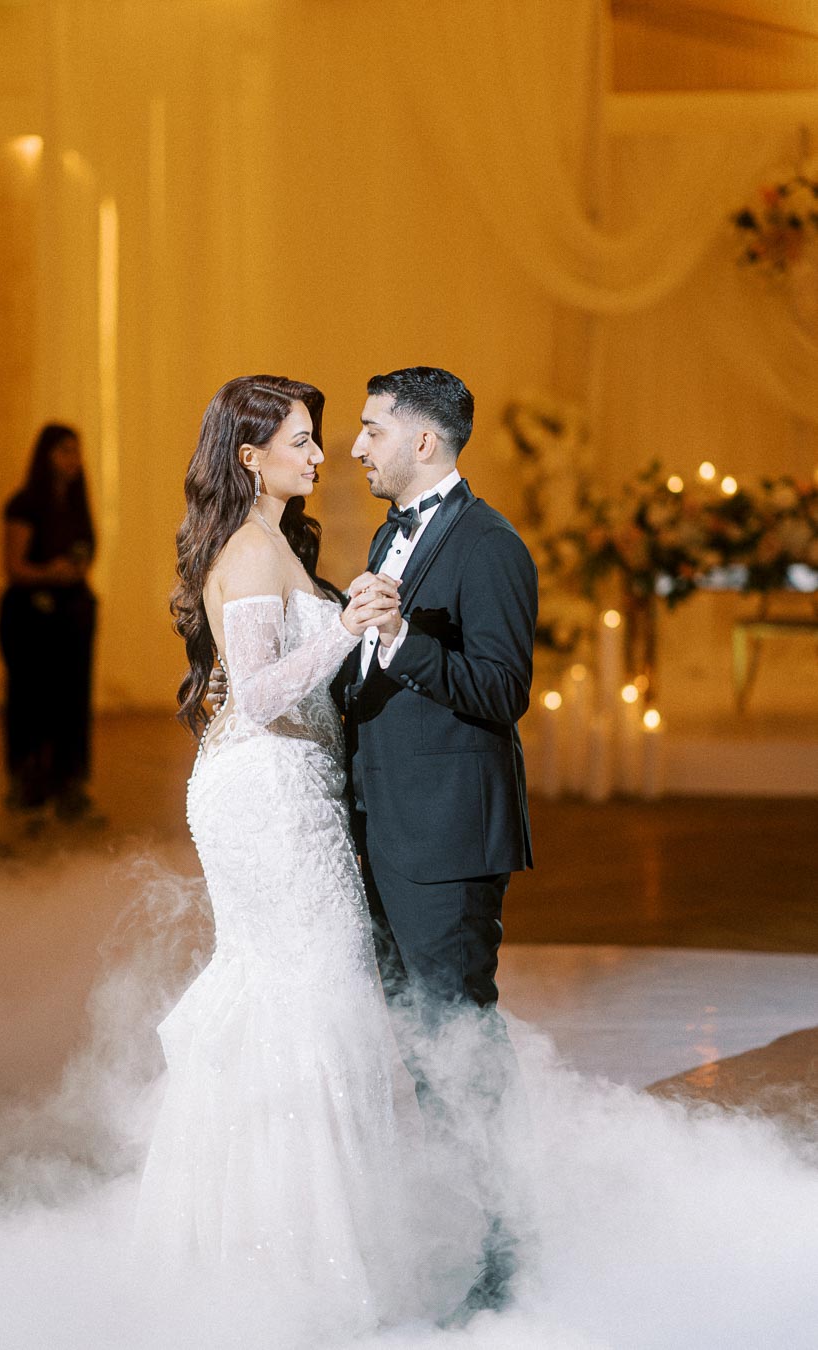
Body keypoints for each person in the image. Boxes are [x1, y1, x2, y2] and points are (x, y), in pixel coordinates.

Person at [135, 376, 413, 1342]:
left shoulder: (273, 545)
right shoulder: (250, 551)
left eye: (320, 437)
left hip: (292, 789)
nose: (320, 454)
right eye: (302, 439)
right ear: (251, 456)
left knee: (305, 993)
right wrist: (343, 627)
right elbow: (253, 694)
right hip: (268, 797)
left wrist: (357, 625)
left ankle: (268, 1251)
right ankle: (298, 1267)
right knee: (314, 994)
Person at [339, 366, 538, 1324]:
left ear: (426, 441)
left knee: (458, 1043)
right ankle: (450, 1237)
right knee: (420, 1048)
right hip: (388, 826)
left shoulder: (493, 545)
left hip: (449, 836)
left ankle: (501, 1260)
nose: (355, 444)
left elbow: (501, 691)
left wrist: (403, 639)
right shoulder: (390, 532)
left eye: (373, 428)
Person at [0, 424, 97, 819]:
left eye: (77, 450)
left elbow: (85, 554)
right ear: (46, 456)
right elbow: (13, 567)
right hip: (29, 617)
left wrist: (73, 572)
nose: (73, 459)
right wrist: (49, 573)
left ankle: (70, 783)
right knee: (30, 698)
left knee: (72, 699)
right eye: (65, 450)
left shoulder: (77, 506)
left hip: (72, 614)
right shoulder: (23, 504)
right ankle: (28, 782)